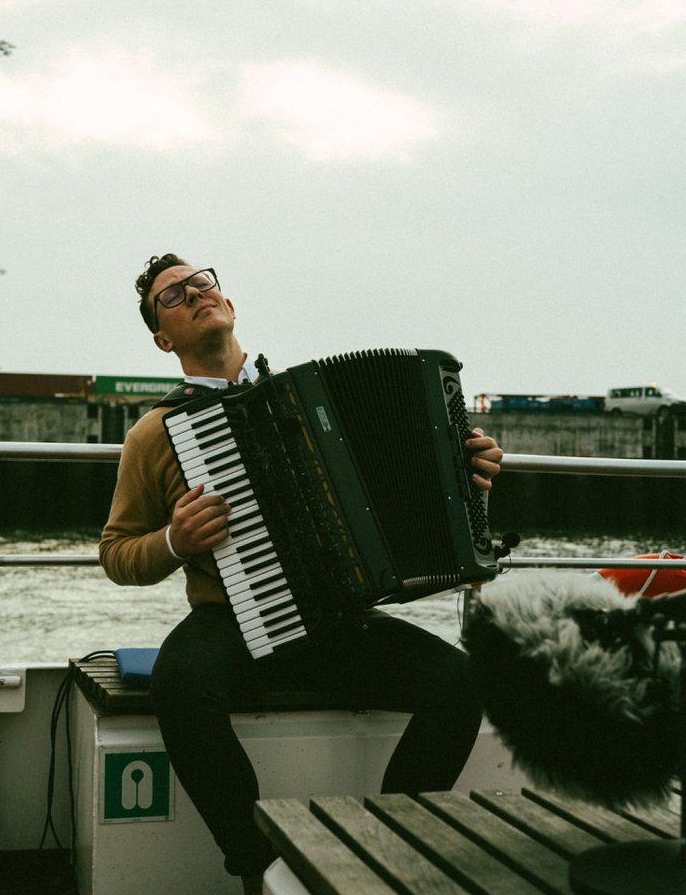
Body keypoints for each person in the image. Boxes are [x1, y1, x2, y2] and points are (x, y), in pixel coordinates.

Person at [99, 254, 504, 894]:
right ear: (162, 338)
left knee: (461, 683)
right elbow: (117, 553)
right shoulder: (155, 434)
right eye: (172, 296)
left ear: (229, 304)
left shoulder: (307, 398)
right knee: (179, 685)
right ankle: (259, 869)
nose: (195, 292)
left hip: (335, 621)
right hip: (230, 620)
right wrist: (176, 540)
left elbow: (413, 499)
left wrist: (468, 478)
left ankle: (390, 851)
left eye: (202, 281)